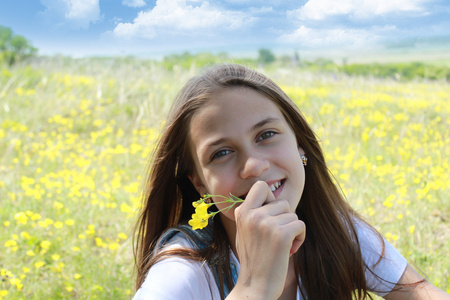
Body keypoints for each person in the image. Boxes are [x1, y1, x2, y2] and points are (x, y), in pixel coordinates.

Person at [132, 64, 449, 300]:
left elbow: (417, 291)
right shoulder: (183, 271)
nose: (254, 166)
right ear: (201, 186)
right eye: (222, 153)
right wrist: (254, 286)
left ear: (300, 146)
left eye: (266, 135)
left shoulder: (335, 232)